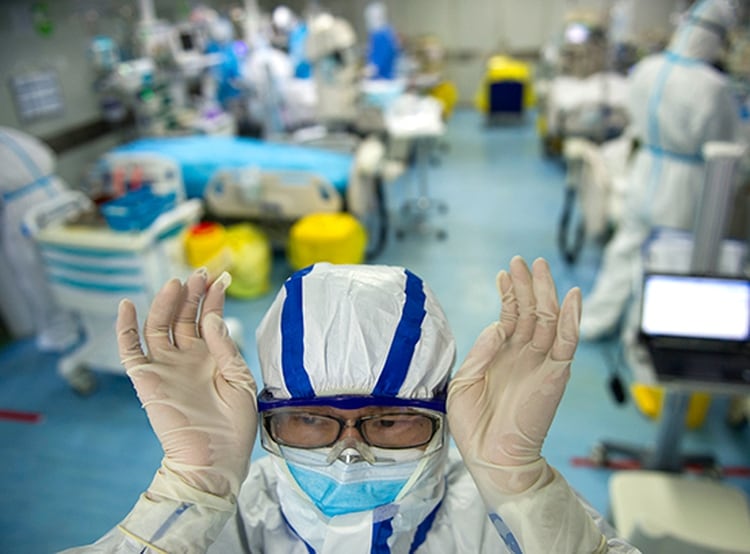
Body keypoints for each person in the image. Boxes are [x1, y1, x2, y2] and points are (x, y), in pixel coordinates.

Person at [62, 258, 637, 553]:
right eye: (310, 420)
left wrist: (523, 489)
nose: (349, 456)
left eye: (388, 421)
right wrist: (188, 489)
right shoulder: (226, 519)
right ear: (267, 417)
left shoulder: (501, 518)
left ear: (444, 416)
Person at [579, 0, 742, 340]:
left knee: (624, 249)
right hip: (684, 182)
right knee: (666, 260)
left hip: (645, 171)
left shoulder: (649, 69)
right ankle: (636, 337)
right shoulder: (713, 86)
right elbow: (725, 145)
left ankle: (593, 322)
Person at [0, 126, 80, 352]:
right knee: (72, 261)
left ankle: (61, 333)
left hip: (24, 209)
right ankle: (85, 316)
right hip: (56, 193)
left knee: (35, 276)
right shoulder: (13, 136)